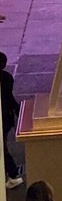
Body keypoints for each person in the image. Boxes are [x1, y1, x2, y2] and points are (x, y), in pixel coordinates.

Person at [1, 53, 23, 188]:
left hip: (3, 117)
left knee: (2, 148)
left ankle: (13, 173)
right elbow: (9, 97)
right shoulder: (7, 78)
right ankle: (13, 173)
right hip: (7, 117)